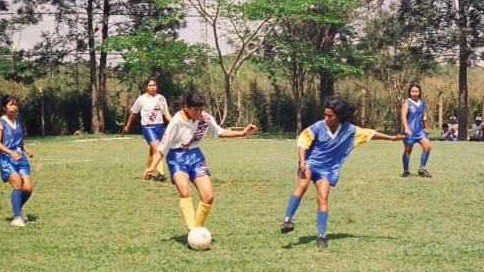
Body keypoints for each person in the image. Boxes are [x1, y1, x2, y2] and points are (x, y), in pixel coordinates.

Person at [280, 96, 404, 248]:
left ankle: (321, 236)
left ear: (339, 116)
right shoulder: (317, 127)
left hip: (328, 169)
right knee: (302, 185)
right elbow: (302, 143)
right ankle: (286, 220)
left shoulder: (349, 130)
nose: (326, 118)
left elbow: (370, 134)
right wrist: (303, 161)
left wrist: (391, 138)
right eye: (324, 115)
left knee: (323, 197)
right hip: (310, 163)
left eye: (330, 116)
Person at [144, 92, 256, 233]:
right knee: (185, 192)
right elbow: (162, 148)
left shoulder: (205, 118)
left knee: (208, 197)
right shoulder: (176, 121)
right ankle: (193, 231)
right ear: (186, 107)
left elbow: (220, 132)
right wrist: (152, 168)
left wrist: (243, 133)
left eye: (201, 109)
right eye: (195, 109)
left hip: (196, 157)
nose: (199, 113)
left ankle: (196, 228)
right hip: (177, 158)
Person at [123, 77, 173, 181]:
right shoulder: (141, 99)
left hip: (160, 127)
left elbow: (166, 114)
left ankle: (148, 172)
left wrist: (174, 123)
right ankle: (161, 173)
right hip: (147, 127)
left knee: (152, 151)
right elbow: (133, 113)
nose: (152, 87)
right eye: (150, 85)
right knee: (158, 149)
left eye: (154, 85)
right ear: (146, 87)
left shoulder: (161, 98)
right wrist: (128, 125)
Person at [0, 95, 34, 227]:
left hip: (20, 158)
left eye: (15, 104)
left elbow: (19, 141)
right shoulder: (0, 123)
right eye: (11, 105)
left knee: (28, 188)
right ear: (3, 107)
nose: (14, 107)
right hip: (7, 159)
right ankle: (17, 217)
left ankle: (16, 206)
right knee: (17, 183)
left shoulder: (17, 121)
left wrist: (26, 149)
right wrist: (11, 152)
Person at [400, 84, 432, 177]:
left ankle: (422, 169)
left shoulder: (422, 103)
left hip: (420, 130)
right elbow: (403, 116)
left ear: (419, 92)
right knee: (408, 150)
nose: (414, 93)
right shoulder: (407, 102)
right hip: (409, 130)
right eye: (412, 91)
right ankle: (406, 171)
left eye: (416, 91)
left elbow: (423, 117)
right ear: (409, 92)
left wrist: (426, 128)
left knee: (427, 147)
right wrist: (406, 128)